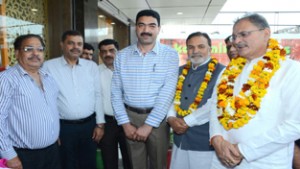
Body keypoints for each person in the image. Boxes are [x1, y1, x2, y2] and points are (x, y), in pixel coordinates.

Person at [209, 13, 300, 169]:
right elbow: (215, 106)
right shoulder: (228, 72)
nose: (237, 41)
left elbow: (295, 125)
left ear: (266, 33)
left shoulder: (291, 70)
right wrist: (216, 138)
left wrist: (243, 150)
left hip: (266, 162)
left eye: (244, 34)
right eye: (234, 36)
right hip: (221, 160)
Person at [111, 9, 179, 169]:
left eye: (151, 25)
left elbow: (167, 93)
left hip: (158, 121)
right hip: (130, 119)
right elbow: (115, 93)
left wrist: (149, 125)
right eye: (141, 25)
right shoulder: (121, 56)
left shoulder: (170, 55)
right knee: (135, 164)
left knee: (159, 164)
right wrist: (125, 123)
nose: (146, 30)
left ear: (158, 28)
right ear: (136, 28)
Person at [43, 30, 105, 169]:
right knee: (67, 164)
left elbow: (98, 95)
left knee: (89, 163)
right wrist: (52, 131)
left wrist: (100, 124)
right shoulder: (48, 66)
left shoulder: (91, 67)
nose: (75, 47)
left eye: (79, 44)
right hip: (63, 127)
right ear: (62, 45)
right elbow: (45, 100)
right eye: (71, 43)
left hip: (89, 126)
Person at [0, 34, 61, 169]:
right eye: (28, 49)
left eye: (39, 49)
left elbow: (52, 108)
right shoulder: (6, 79)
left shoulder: (48, 77)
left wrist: (54, 134)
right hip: (23, 155)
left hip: (52, 151)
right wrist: (9, 155)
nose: (35, 53)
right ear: (16, 53)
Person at [167, 32, 225, 169]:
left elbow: (214, 104)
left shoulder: (222, 72)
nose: (195, 51)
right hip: (179, 139)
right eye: (191, 47)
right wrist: (170, 118)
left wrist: (187, 121)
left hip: (203, 140)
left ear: (210, 49)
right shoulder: (179, 71)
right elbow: (169, 97)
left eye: (201, 46)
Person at [98, 39, 131, 169]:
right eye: (104, 51)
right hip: (108, 123)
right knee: (109, 161)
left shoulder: (129, 70)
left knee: (130, 159)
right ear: (100, 54)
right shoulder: (95, 72)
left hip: (128, 122)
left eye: (111, 50)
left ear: (118, 52)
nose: (108, 54)